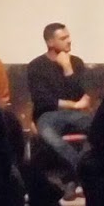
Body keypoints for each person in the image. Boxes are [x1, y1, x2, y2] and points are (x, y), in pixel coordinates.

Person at [26, 22, 94, 192]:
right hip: (48, 116)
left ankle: (72, 178)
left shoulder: (76, 63)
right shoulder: (36, 66)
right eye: (63, 38)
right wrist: (74, 104)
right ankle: (83, 172)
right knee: (50, 136)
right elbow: (43, 100)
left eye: (68, 36)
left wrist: (68, 69)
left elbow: (80, 94)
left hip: (75, 115)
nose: (69, 40)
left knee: (98, 127)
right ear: (50, 42)